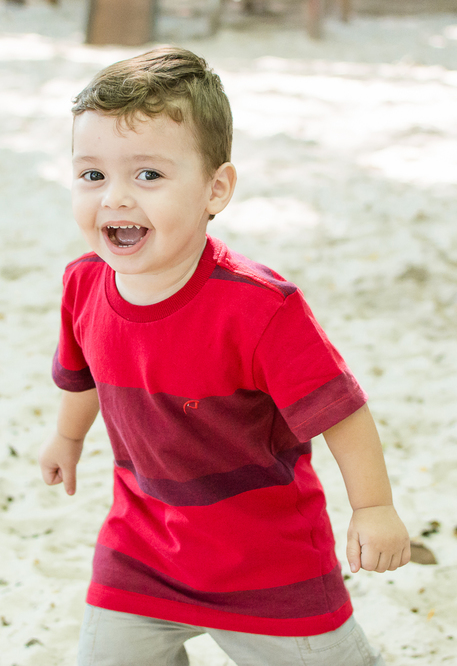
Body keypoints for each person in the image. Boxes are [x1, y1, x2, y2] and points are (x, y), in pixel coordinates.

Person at [39, 47, 410, 666]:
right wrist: (67, 439)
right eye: (92, 175)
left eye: (149, 175)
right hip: (142, 554)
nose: (115, 199)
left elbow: (340, 412)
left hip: (268, 563)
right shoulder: (83, 284)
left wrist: (373, 508)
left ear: (216, 189)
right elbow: (82, 378)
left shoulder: (260, 308)